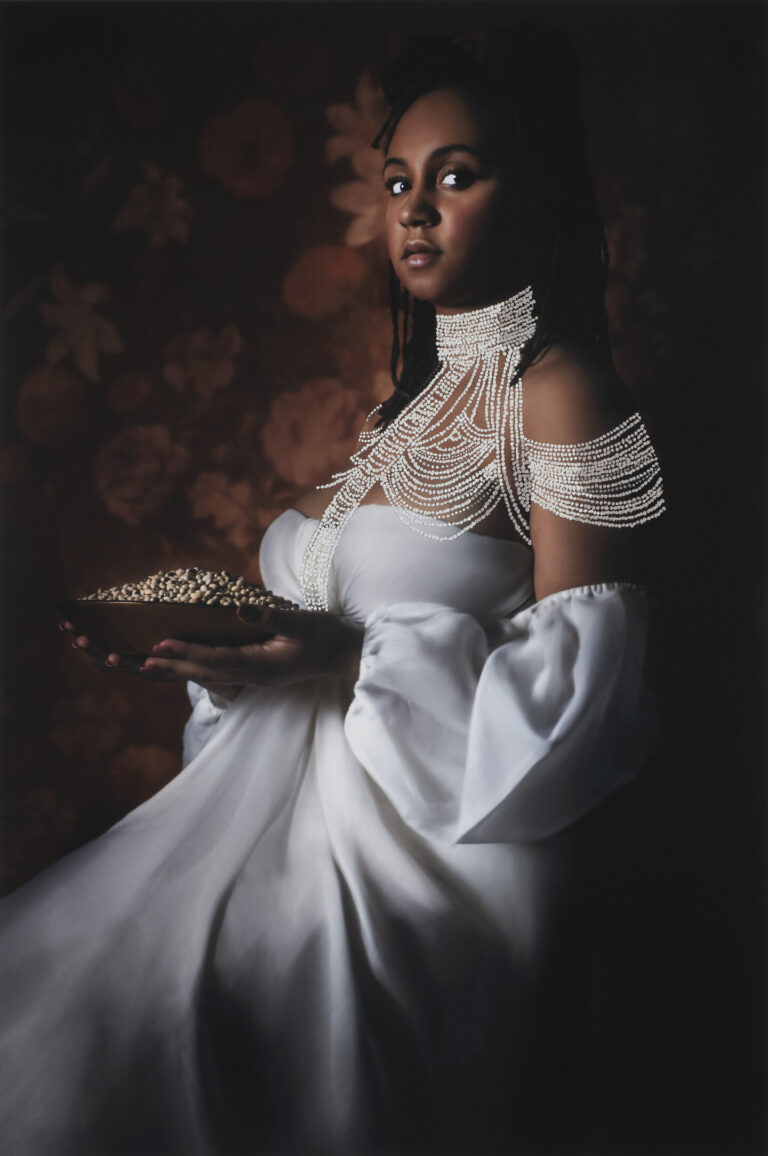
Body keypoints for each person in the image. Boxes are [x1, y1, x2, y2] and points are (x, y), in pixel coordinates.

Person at [1, 27, 665, 1156]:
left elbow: (589, 707)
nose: (413, 209)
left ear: (533, 187)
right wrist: (217, 654)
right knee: (39, 978)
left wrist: (339, 658)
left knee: (112, 1030)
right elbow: (326, 630)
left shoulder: (562, 393)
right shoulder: (394, 418)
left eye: (456, 175)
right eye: (399, 179)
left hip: (429, 854)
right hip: (260, 815)